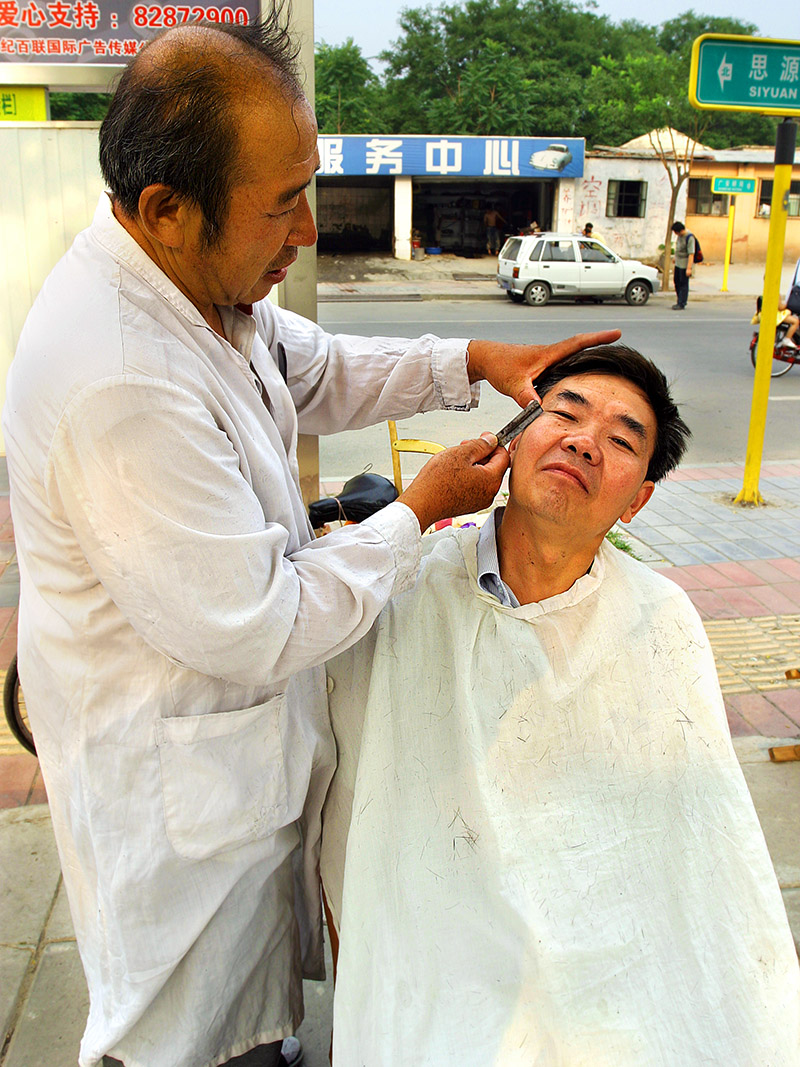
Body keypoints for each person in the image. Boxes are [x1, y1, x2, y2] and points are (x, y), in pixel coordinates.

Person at [1, 12, 620, 1067]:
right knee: (181, 1028)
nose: (305, 229)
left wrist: (472, 354)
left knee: (251, 1004)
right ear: (166, 207)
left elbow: (312, 367)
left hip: (229, 742)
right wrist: (415, 511)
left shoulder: (196, 283)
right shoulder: (119, 373)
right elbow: (257, 621)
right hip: (171, 773)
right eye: (282, 202)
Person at [321, 344, 800, 1066]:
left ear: (636, 498)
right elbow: (349, 794)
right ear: (514, 439)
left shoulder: (660, 618)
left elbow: (701, 845)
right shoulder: (404, 582)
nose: (583, 440)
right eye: (565, 414)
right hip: (438, 949)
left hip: (604, 960)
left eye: (620, 440)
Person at [671, 219, 695, 310]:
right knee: (676, 281)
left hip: (685, 263)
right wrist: (675, 257)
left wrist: (689, 268)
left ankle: (682, 303)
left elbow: (691, 254)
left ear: (680, 231)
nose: (676, 234)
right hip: (678, 262)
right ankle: (679, 299)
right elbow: (678, 248)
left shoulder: (689, 237)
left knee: (683, 284)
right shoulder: (680, 236)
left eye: (676, 232)